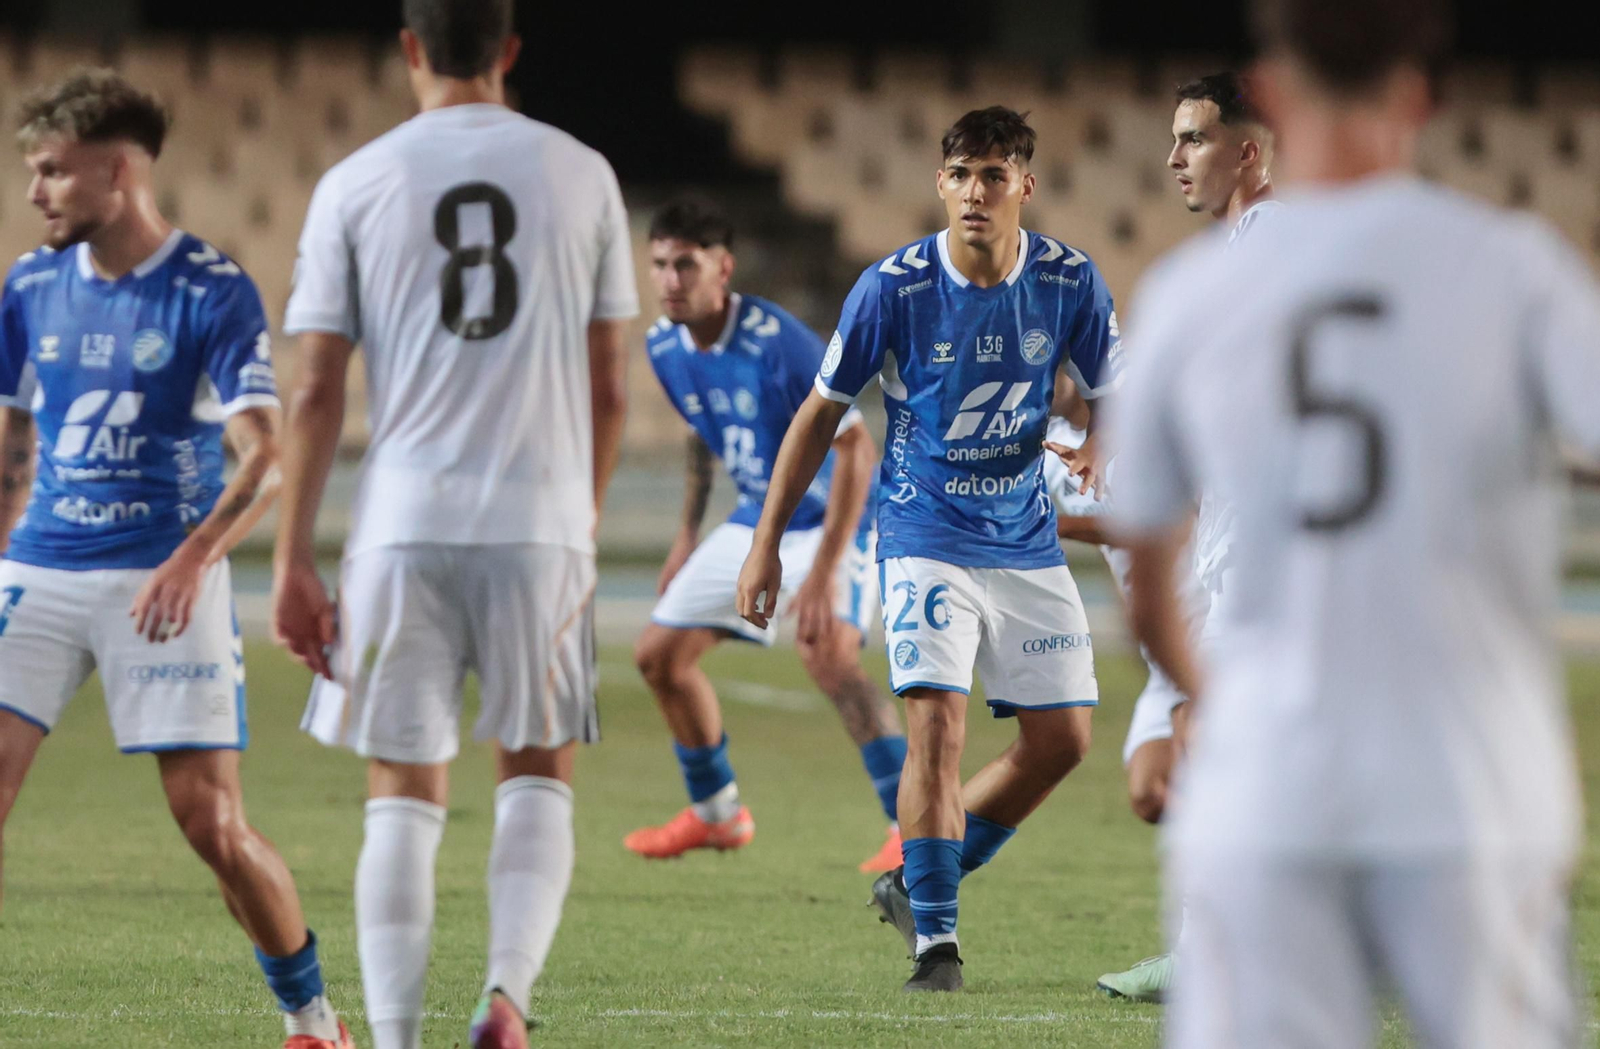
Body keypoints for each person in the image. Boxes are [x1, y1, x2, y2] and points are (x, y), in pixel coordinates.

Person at [1111, 0, 1596, 1045]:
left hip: (1272, 775)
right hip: (1470, 774)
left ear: (1274, 99)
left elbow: (1146, 588)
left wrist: (1214, 705)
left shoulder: (1189, 297)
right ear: (1423, 97)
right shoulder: (1513, 268)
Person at [269, 2, 636, 1046]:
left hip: (402, 523)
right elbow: (611, 384)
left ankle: (394, 1036)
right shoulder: (584, 173)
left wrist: (293, 557)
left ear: (411, 48)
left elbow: (315, 390)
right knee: (537, 771)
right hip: (541, 522)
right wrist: (580, 516)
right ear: (509, 51)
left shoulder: (355, 181)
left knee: (401, 791)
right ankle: (505, 995)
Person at [0, 69, 351, 1049]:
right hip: (41, 566)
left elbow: (266, 456)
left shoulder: (210, 290)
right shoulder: (29, 286)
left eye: (52, 171)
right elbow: (14, 443)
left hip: (163, 573)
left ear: (118, 172)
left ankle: (313, 1020)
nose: (34, 192)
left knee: (213, 826)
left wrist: (195, 559)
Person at [737, 106, 1122, 992]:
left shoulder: (1068, 280)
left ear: (1025, 185)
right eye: (960, 175)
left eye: (994, 175)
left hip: (1025, 537)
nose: (975, 191)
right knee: (938, 726)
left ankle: (912, 881)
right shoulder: (893, 288)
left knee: (1062, 741)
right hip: (923, 532)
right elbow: (820, 414)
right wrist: (766, 542)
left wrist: (1102, 441)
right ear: (940, 183)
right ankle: (936, 947)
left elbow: (1115, 389)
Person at [630, 198, 906, 872]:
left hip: (839, 517)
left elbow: (856, 449)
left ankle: (914, 828)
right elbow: (702, 432)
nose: (669, 280)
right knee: (659, 656)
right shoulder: (664, 345)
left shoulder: (777, 341)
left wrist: (825, 570)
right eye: (660, 264)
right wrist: (686, 534)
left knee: (829, 654)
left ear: (722, 268)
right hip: (762, 518)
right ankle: (717, 814)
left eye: (685, 265)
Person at [1092, 69, 1279, 1004]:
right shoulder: (1241, 248)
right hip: (1231, 544)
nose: (1173, 158)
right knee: (1183, 760)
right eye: (1173, 138)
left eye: (1193, 138)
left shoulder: (1271, 243)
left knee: (1208, 739)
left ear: (1246, 150)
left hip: (1265, 548)